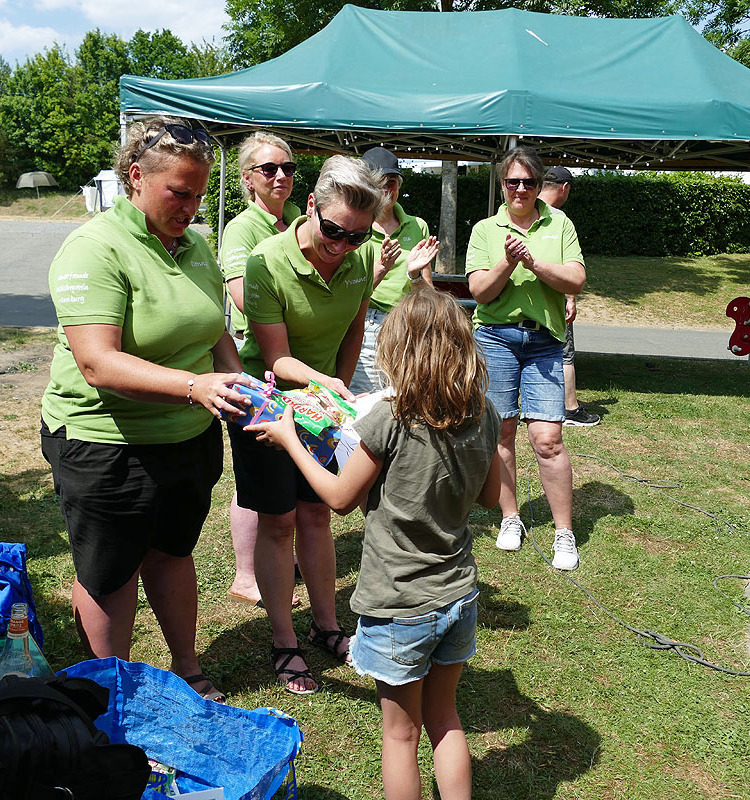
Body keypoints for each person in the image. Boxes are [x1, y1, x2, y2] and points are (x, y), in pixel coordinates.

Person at [248, 287, 501, 800]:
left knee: (400, 735)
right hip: (459, 594)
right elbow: (493, 497)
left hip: (399, 605)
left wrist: (291, 439)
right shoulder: (484, 412)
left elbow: (339, 499)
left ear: (398, 352)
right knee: (445, 719)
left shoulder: (389, 420)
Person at [40, 116, 246, 702]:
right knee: (110, 573)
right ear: (135, 176)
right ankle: (113, 693)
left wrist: (239, 383)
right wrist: (195, 386)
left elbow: (213, 330)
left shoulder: (196, 245)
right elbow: (98, 363)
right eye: (179, 193)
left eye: (200, 195)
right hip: (106, 442)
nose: (191, 208)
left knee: (173, 552)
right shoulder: (94, 247)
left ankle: (187, 668)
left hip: (188, 437)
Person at [229, 154, 385, 694]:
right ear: (312, 206)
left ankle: (327, 626)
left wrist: (340, 396)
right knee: (278, 522)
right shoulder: (266, 262)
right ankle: (284, 641)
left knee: (317, 514)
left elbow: (355, 328)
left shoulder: (362, 257)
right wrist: (326, 384)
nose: (343, 245)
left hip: (325, 400)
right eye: (334, 231)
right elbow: (275, 358)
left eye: (357, 236)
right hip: (268, 404)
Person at [465, 145, 587, 571]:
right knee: (501, 433)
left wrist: (534, 264)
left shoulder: (560, 223)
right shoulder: (485, 229)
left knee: (548, 439)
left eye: (529, 182)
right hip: (495, 338)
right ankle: (510, 517)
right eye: (512, 182)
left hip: (545, 341)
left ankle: (564, 532)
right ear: (502, 184)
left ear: (539, 185)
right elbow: (479, 292)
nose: (520, 189)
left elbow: (576, 279)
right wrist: (507, 261)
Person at [219, 132, 303, 610]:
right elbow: (242, 298)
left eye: (287, 168)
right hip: (256, 370)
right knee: (253, 479)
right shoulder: (242, 229)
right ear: (248, 178)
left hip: (294, 367)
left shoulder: (297, 218)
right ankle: (246, 575)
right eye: (268, 169)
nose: (280, 176)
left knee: (285, 476)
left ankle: (275, 561)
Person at [349, 146, 439, 395]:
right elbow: (348, 293)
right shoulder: (353, 226)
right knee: (365, 402)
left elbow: (427, 293)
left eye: (391, 181)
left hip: (407, 325)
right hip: (366, 325)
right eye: (378, 182)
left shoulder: (417, 225)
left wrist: (414, 275)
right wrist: (381, 267)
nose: (386, 189)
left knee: (403, 400)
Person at [538, 166, 600, 426]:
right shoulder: (559, 219)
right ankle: (570, 408)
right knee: (564, 353)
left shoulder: (521, 212)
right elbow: (567, 267)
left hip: (521, 301)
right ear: (564, 188)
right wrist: (570, 298)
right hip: (554, 297)